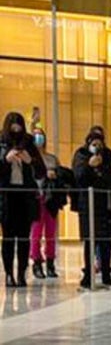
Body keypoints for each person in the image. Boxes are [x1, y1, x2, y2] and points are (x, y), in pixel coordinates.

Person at [0, 112, 44, 287]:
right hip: (7, 196)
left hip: (26, 196)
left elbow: (40, 171)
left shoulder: (29, 142)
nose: (16, 130)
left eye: (19, 126)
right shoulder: (2, 141)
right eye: (13, 126)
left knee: (24, 238)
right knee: (8, 238)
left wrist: (30, 160)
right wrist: (5, 160)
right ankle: (9, 274)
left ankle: (21, 274)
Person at [73, 127, 111, 289]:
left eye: (100, 143)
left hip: (105, 205)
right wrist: (90, 166)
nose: (97, 146)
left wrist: (101, 170)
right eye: (94, 143)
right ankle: (88, 273)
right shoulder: (81, 155)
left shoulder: (109, 155)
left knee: (106, 242)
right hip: (87, 204)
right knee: (89, 241)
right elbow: (79, 177)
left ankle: (106, 273)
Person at [29, 126, 68, 279]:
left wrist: (55, 175)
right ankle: (37, 262)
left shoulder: (52, 158)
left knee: (51, 232)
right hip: (36, 197)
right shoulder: (29, 158)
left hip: (51, 198)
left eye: (41, 135)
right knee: (36, 231)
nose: (38, 138)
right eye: (35, 135)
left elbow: (61, 175)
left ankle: (51, 263)